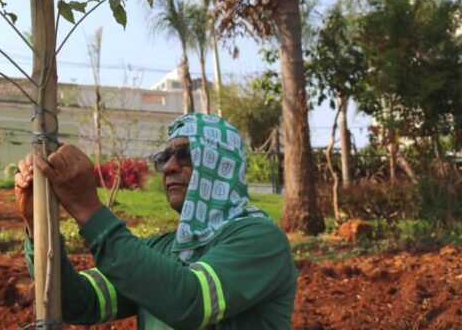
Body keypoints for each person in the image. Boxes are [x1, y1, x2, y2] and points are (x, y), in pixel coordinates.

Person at [15, 113, 297, 329]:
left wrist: (89, 209)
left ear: (221, 164)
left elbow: (190, 301)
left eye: (185, 154)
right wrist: (36, 224)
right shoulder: (162, 250)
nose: (170, 167)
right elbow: (80, 302)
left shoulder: (260, 241)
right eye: (165, 157)